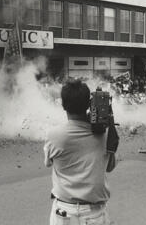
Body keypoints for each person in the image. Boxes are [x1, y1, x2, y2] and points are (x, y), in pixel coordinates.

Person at [44, 79, 118, 225]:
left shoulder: (54, 135)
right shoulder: (104, 134)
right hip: (95, 214)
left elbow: (48, 163)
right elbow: (109, 167)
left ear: (63, 105)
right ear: (88, 104)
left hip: (63, 213)